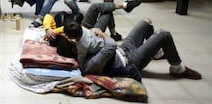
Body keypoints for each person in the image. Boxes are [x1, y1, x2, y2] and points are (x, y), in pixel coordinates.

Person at [64, 18, 202, 81]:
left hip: (123, 48)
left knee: (146, 22)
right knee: (163, 34)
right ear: (76, 51)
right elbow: (110, 45)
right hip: (131, 60)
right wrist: (102, 34)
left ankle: (157, 53)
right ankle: (177, 68)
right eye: (75, 43)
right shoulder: (89, 63)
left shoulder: (84, 43)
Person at [43, 0, 142, 59]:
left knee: (95, 7)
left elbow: (47, 16)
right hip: (91, 34)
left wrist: (48, 29)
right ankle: (114, 34)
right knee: (107, 13)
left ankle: (125, 5)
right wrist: (59, 31)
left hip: (83, 27)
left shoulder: (52, 33)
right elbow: (77, 32)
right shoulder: (63, 43)